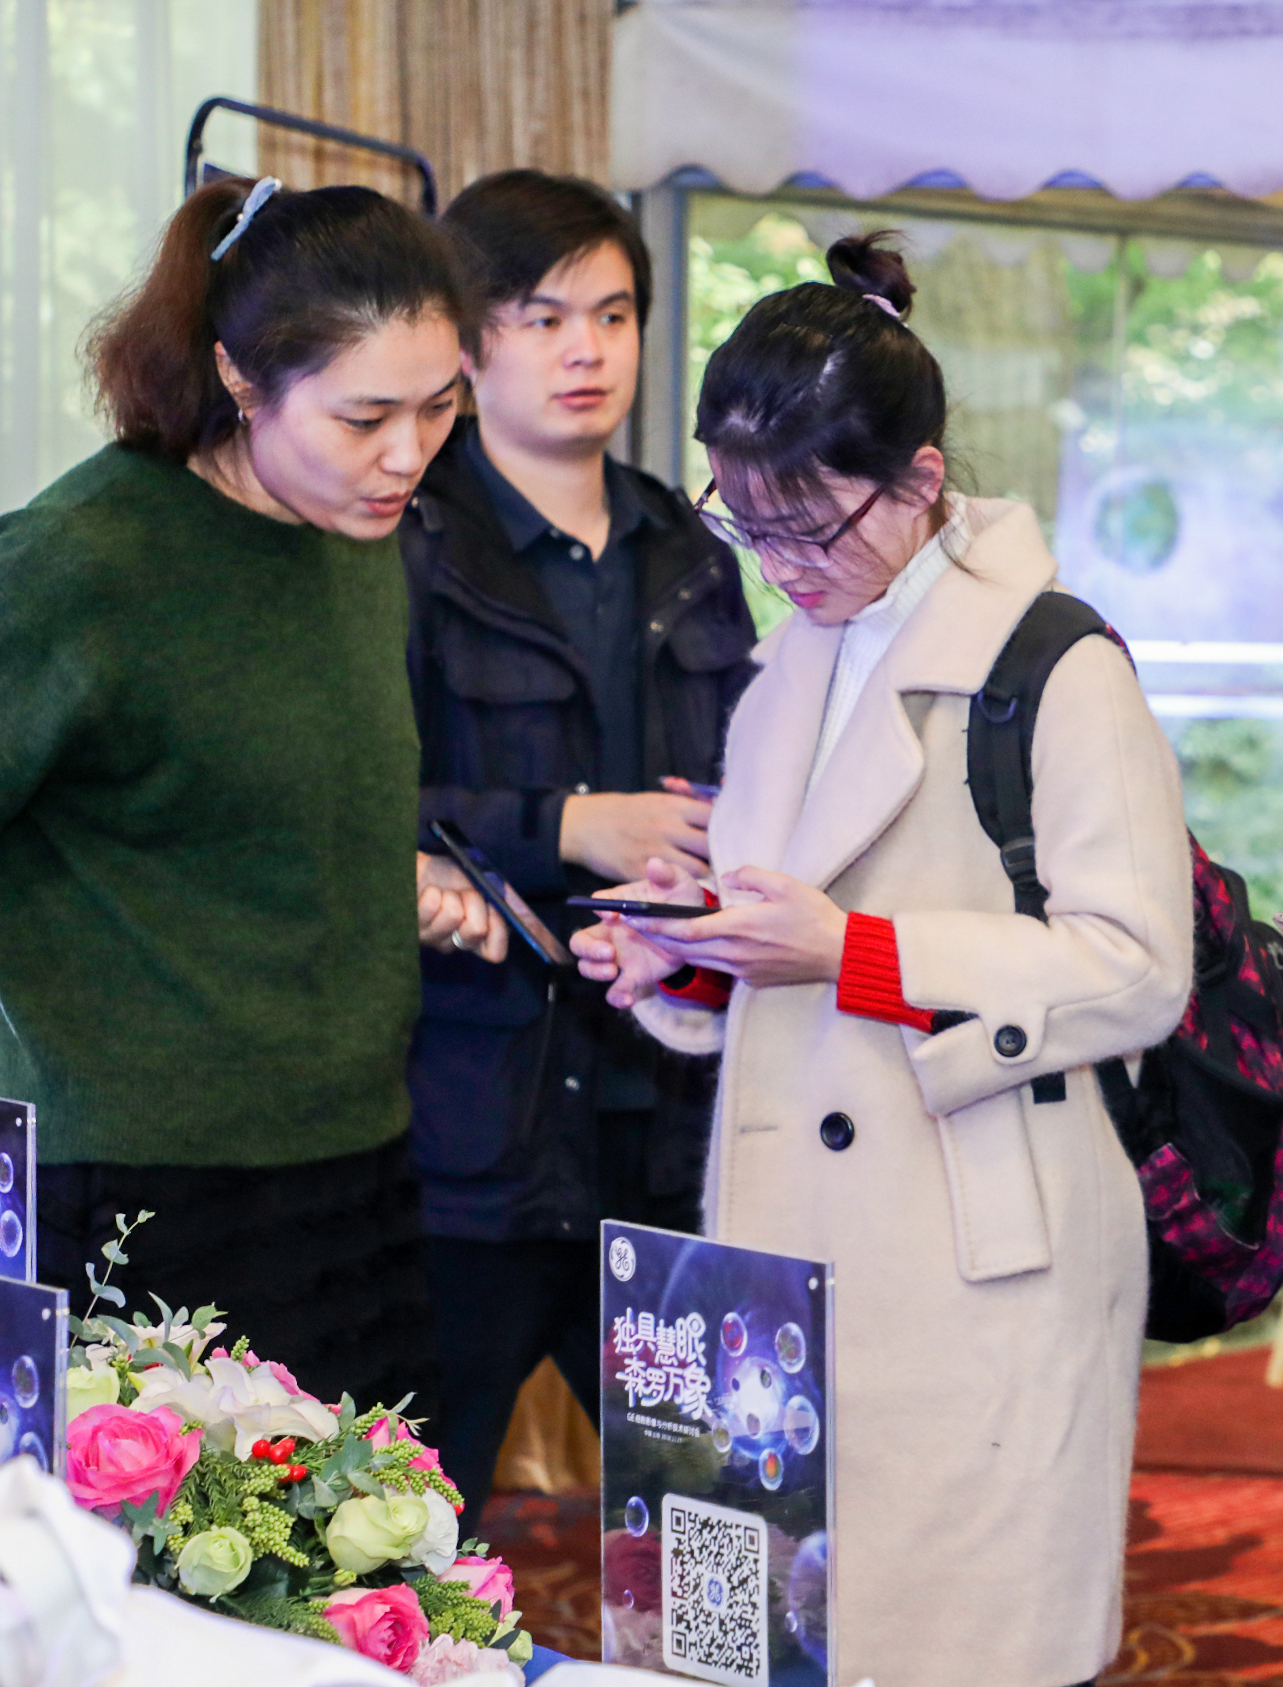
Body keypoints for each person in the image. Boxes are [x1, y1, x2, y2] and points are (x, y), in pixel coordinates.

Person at [570, 235, 1191, 1687]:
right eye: (748, 526)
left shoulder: (1055, 662)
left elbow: (1135, 965)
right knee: (756, 1648)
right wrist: (693, 956)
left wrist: (847, 949)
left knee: (950, 1647)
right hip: (779, 1251)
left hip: (973, 1249)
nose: (783, 564)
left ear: (917, 479)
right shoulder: (795, 653)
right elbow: (791, 927)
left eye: (812, 524)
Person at [9, 176, 508, 1414]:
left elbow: (234, 792)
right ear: (240, 377)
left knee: (378, 1528)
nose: (408, 455)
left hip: (356, 1154)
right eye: (364, 416)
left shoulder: (354, 533)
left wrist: (386, 877)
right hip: (141, 1182)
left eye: (440, 406)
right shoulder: (83, 562)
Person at [401, 170, 758, 1512]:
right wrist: (569, 826)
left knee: (719, 1514)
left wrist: (713, 856)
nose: (585, 350)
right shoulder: (407, 542)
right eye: (542, 318)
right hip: (472, 1128)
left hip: (668, 1119)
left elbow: (753, 782)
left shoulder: (690, 548)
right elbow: (355, 803)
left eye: (611, 315)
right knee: (411, 1522)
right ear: (466, 342)